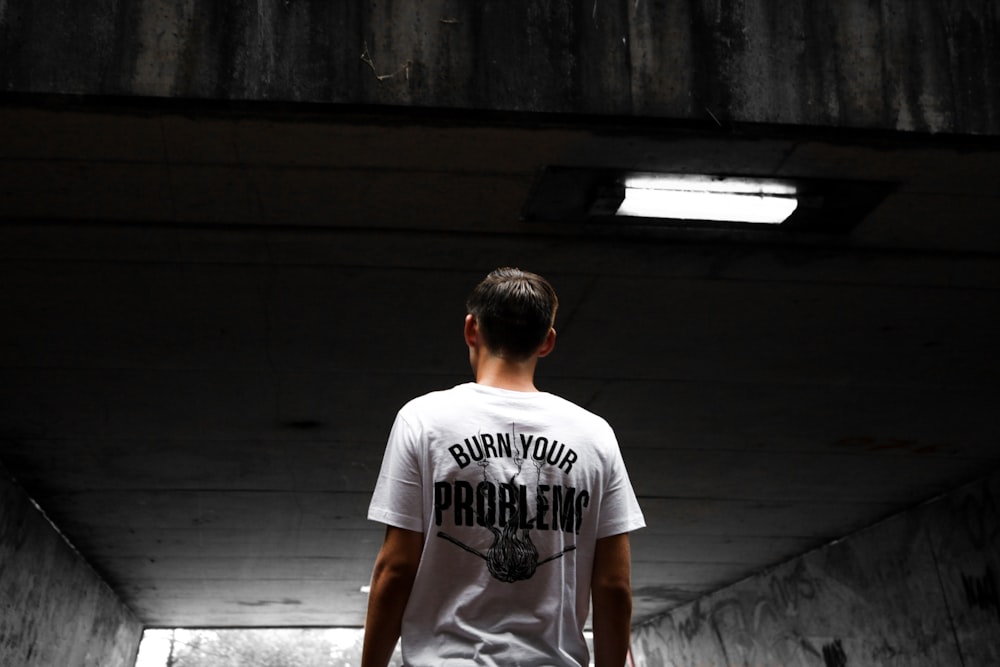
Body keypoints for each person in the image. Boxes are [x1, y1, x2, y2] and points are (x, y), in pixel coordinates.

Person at [362, 267, 645, 667]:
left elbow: (396, 568)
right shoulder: (594, 435)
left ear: (471, 330)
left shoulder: (423, 420)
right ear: (547, 341)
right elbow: (614, 585)